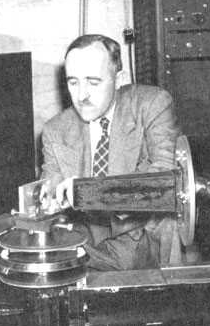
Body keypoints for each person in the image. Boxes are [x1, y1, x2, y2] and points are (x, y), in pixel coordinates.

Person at [39, 34, 186, 272]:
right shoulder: (55, 130)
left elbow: (166, 182)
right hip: (86, 249)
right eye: (73, 82)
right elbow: (49, 197)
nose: (81, 95)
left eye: (93, 82)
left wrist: (88, 192)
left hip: (143, 242)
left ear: (119, 79)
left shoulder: (152, 105)